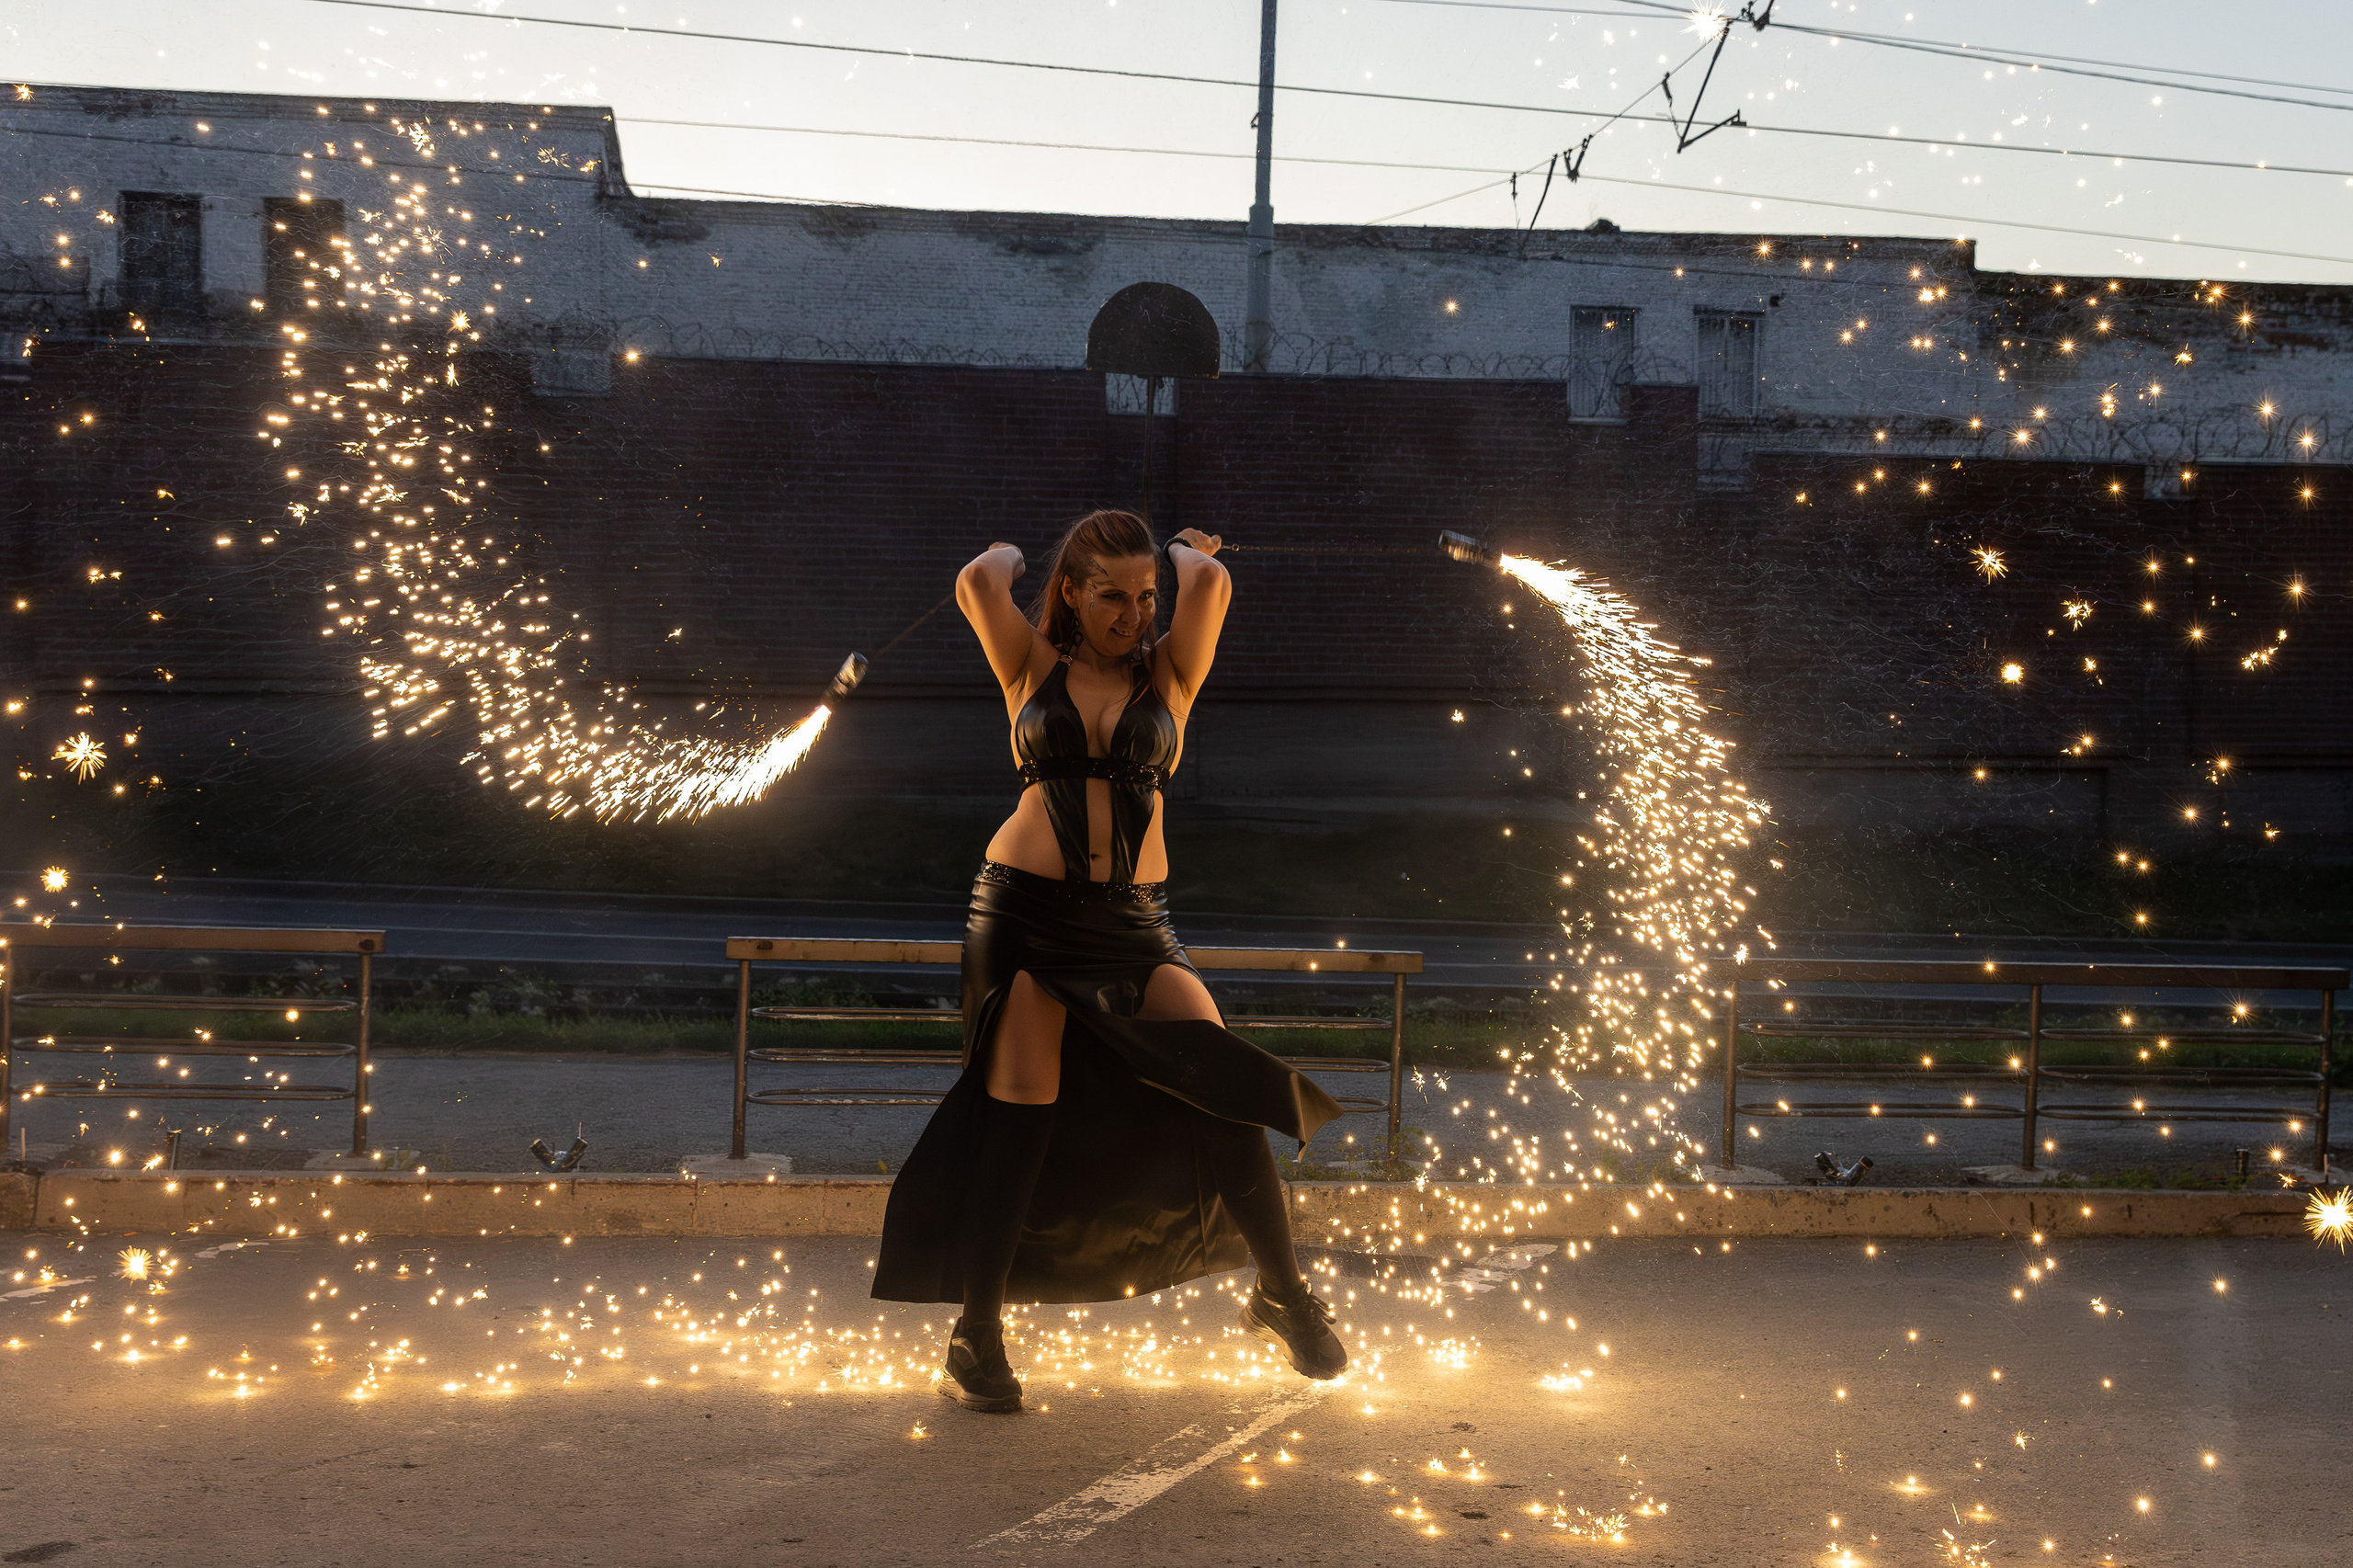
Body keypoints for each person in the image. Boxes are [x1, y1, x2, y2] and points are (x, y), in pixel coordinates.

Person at [872, 508, 1349, 1413]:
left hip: (1133, 922)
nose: (1134, 615)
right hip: (1023, 914)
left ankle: (1282, 1293)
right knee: (1019, 1113)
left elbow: (1209, 584)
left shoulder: (1170, 673)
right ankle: (976, 1336)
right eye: (1111, 598)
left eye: (1145, 598)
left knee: (1219, 1078)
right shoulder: (1030, 665)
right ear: (1070, 593)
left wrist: (1185, 552)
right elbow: (978, 580)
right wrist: (1013, 549)